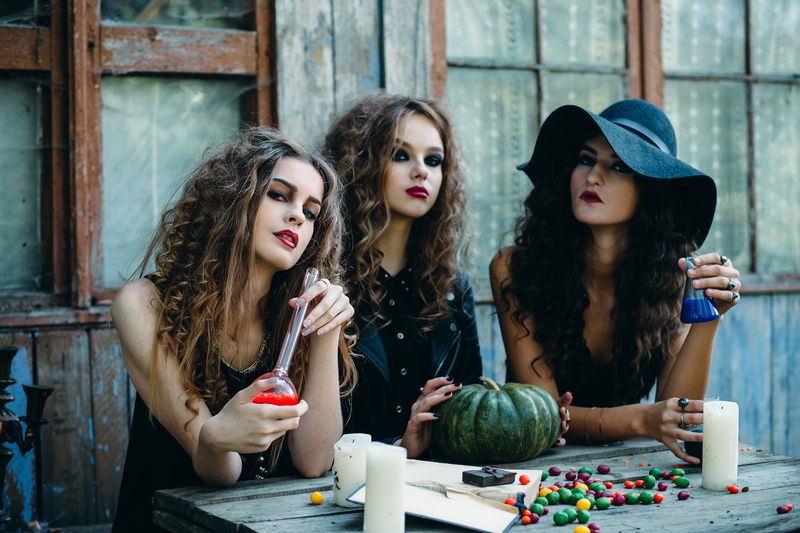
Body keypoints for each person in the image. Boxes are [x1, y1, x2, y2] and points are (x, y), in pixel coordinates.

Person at [111, 128, 356, 532]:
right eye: (279, 194)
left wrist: (327, 331)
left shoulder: (298, 313)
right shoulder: (143, 304)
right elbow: (218, 470)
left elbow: (315, 460)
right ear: (231, 199)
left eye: (311, 212)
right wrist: (216, 437)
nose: (298, 214)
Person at [491, 99, 741, 464]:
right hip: (529, 468)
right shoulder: (514, 267)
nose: (593, 176)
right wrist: (642, 418)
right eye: (586, 159)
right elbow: (540, 417)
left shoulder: (673, 276)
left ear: (651, 190)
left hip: (624, 467)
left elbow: (678, 412)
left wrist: (710, 317)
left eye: (620, 166)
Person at [324, 94, 570, 459]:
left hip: (440, 489)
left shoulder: (452, 289)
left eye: (434, 160)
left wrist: (531, 424)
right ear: (361, 164)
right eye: (400, 155)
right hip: (337, 495)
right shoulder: (328, 284)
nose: (421, 170)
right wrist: (397, 446)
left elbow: (467, 413)